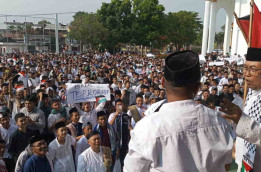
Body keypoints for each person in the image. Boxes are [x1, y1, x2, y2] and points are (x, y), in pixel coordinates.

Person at [124, 51, 235, 172]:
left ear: (162, 83)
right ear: (198, 87)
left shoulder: (146, 128)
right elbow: (226, 165)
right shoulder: (220, 122)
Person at [220, 47, 261, 171]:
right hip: (244, 159)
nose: (246, 73)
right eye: (245, 68)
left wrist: (241, 120)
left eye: (252, 69)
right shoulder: (252, 91)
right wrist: (238, 143)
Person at [108, 99, 130, 167]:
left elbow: (128, 127)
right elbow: (109, 126)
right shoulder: (112, 115)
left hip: (124, 141)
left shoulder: (126, 115)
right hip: (114, 141)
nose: (119, 106)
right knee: (115, 161)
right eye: (118, 105)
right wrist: (115, 116)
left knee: (123, 160)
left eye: (121, 105)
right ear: (115, 107)